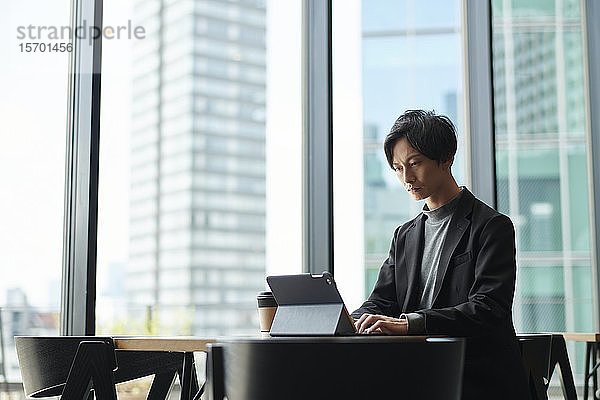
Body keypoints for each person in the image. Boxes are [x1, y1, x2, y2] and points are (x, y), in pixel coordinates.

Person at [352, 110, 530, 400]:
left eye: (415, 163)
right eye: (398, 168)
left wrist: (410, 323)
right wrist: (350, 320)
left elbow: (488, 309)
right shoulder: (405, 235)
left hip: (474, 378)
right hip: (418, 373)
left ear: (446, 157)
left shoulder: (491, 226)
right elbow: (382, 301)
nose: (407, 177)